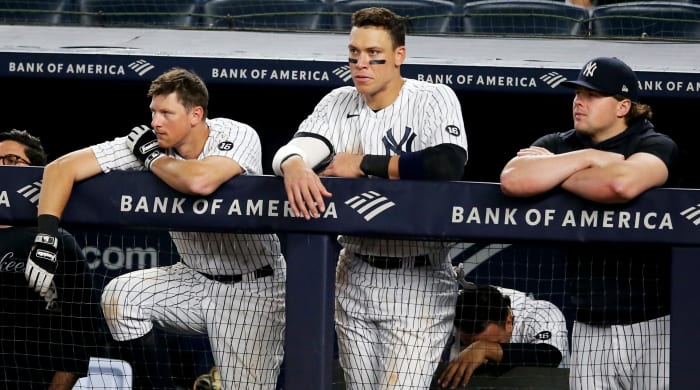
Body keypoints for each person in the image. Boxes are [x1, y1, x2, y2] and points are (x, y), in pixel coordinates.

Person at [24, 68, 287, 390]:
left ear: (195, 114)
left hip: (254, 286)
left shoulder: (234, 133)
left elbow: (199, 181)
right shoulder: (151, 144)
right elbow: (61, 168)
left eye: (166, 113)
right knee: (122, 297)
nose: (155, 122)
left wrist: (152, 159)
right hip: (192, 278)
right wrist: (46, 236)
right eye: (153, 112)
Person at [271, 7, 468, 389]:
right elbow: (300, 147)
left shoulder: (433, 97)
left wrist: (363, 163)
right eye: (354, 54)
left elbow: (446, 163)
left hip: (419, 275)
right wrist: (293, 164)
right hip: (355, 268)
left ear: (399, 56)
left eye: (374, 55)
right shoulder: (338, 101)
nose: (362, 64)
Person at [499, 57, 679, 389]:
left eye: (593, 95)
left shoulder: (652, 142)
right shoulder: (559, 143)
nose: (579, 102)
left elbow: (620, 184)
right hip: (590, 323)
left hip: (655, 323)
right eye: (577, 93)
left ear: (623, 106)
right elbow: (513, 179)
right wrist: (586, 159)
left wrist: (554, 172)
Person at [0, 129, 101, 389]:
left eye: (10, 160)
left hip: (26, 378)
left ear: (34, 173)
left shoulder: (57, 242)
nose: (0, 167)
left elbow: (82, 329)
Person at [436, 283, 569, 388]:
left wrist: (484, 349)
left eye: (494, 342)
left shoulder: (540, 312)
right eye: (467, 345)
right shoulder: (450, 313)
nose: (480, 360)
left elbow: (550, 355)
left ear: (508, 322)